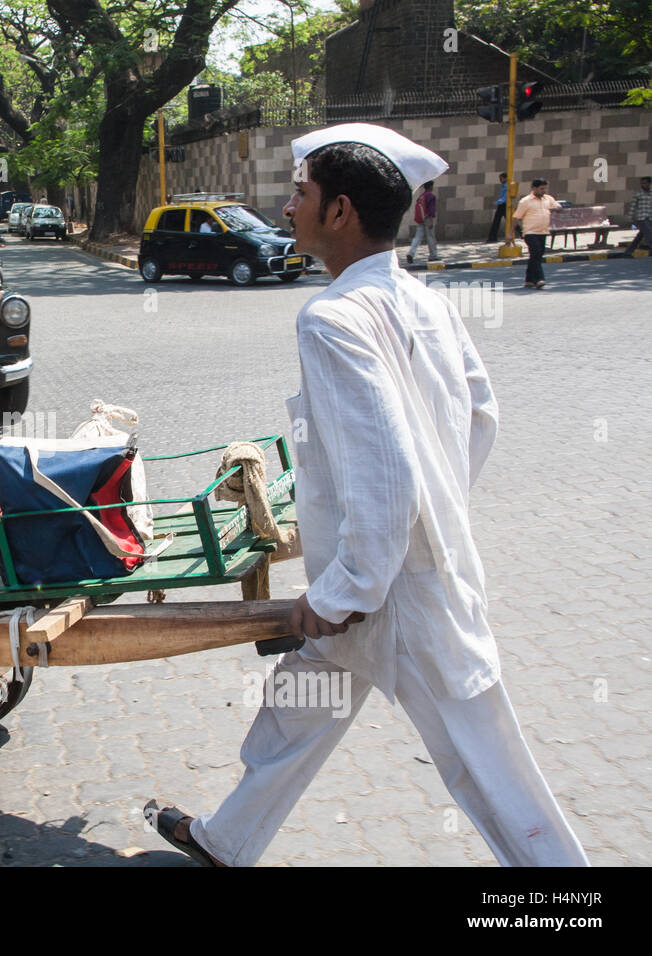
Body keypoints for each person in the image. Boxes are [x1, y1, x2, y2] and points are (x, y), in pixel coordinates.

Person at [145, 122, 588, 868]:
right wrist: (430, 516)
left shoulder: (331, 319)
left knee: (485, 766)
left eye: (301, 195)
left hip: (398, 597)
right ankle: (226, 842)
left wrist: (349, 586)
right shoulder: (422, 298)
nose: (288, 210)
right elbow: (480, 417)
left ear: (341, 211)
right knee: (303, 706)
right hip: (383, 573)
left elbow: (386, 471)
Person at [513, 178, 562, 289]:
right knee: (535, 253)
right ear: (534, 188)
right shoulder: (525, 201)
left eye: (545, 188)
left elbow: (557, 206)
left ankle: (529, 280)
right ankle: (539, 279)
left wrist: (557, 207)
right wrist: (510, 233)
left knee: (537, 256)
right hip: (530, 232)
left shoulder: (548, 199)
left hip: (543, 231)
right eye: (541, 188)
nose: (543, 191)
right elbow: (516, 217)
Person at [406, 180, 439, 263]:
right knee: (430, 237)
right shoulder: (431, 196)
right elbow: (431, 210)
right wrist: (431, 220)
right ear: (431, 186)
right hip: (427, 219)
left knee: (417, 237)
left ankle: (411, 253)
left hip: (420, 219)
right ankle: (433, 255)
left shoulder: (421, 196)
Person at [625, 176, 652, 253]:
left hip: (649, 217)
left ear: (649, 184)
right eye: (642, 183)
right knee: (649, 234)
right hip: (641, 218)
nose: (643, 185)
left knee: (640, 236)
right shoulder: (638, 194)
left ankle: (628, 252)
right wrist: (630, 218)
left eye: (645, 183)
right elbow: (633, 206)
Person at [487, 172, 508, 243]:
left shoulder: (506, 186)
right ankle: (492, 237)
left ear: (505, 178)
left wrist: (497, 202)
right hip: (503, 205)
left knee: (497, 221)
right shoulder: (504, 186)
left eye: (501, 178)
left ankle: (492, 237)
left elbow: (504, 197)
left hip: (503, 205)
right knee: (505, 220)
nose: (500, 180)